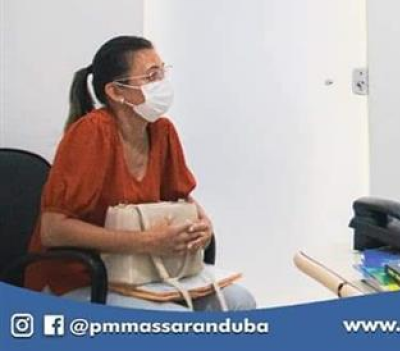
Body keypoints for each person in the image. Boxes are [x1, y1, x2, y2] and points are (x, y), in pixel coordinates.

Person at [25, 36, 257, 311]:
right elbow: (53, 230)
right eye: (151, 76)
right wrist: (147, 242)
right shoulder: (91, 133)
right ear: (116, 92)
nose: (162, 84)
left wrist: (204, 224)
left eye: (162, 73)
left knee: (240, 301)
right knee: (173, 321)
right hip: (79, 279)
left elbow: (180, 197)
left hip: (144, 275)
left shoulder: (162, 131)